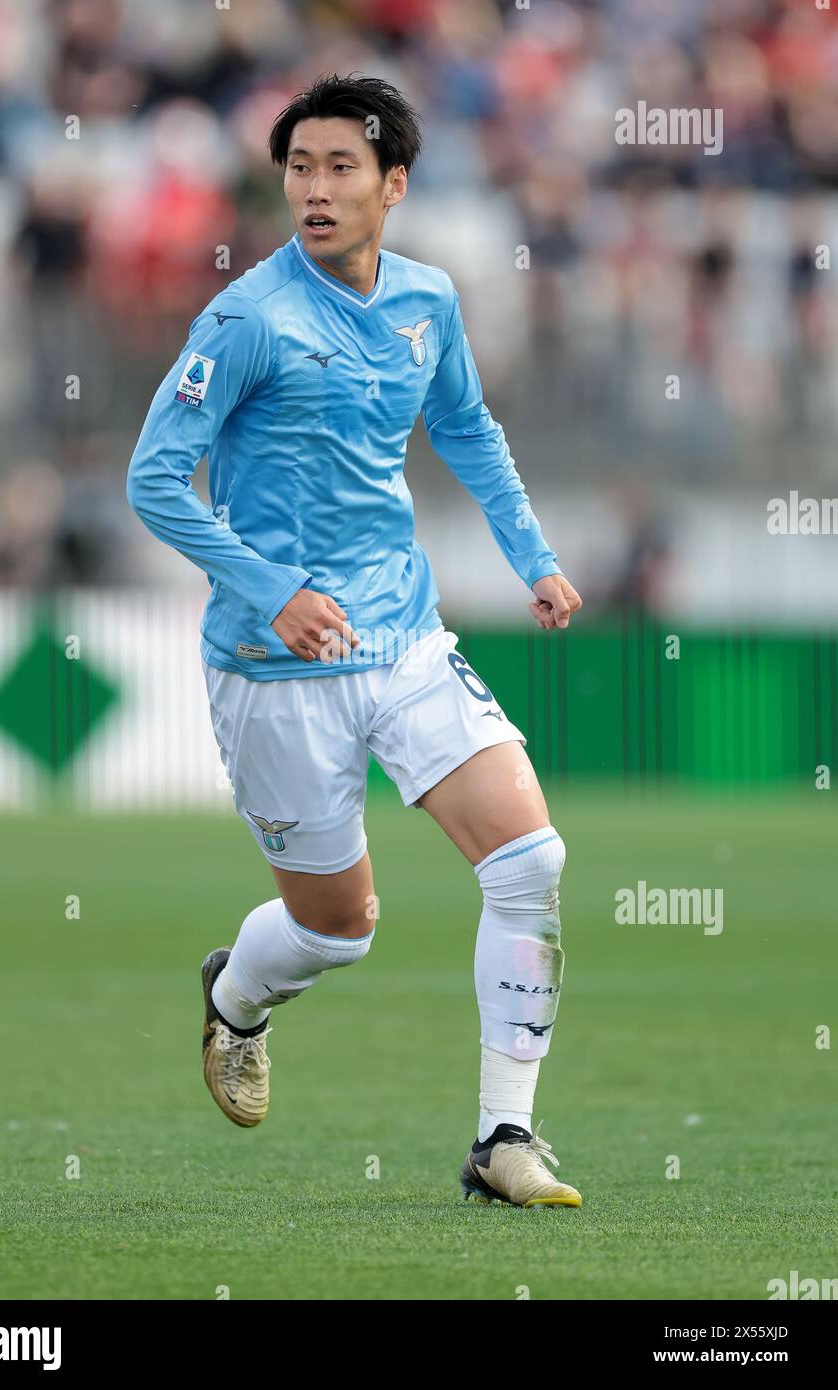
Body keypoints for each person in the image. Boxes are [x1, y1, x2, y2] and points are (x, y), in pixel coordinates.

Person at [127, 74, 583, 1208]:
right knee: (338, 931)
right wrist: (272, 587)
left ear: (394, 185)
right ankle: (237, 995)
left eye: (339, 168)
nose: (314, 190)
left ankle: (503, 1138)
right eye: (298, 168)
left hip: (401, 635)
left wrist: (532, 556)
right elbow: (151, 480)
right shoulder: (245, 318)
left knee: (530, 863)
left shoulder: (429, 301)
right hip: (274, 666)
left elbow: (467, 427)